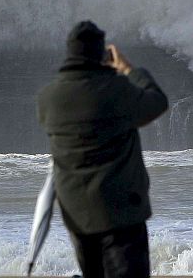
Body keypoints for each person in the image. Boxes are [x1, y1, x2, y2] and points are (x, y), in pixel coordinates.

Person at [36, 20, 168, 278]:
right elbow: (157, 102)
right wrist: (128, 69)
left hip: (77, 215)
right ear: (100, 53)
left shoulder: (47, 98)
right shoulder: (117, 91)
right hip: (120, 213)